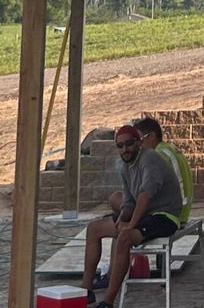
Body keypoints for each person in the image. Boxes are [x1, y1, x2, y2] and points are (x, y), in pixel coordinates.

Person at [81, 123, 186, 306]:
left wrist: (130, 225)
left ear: (139, 143)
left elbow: (145, 195)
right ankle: (86, 290)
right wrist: (122, 216)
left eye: (129, 144)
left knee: (124, 237)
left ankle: (108, 301)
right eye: (120, 146)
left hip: (164, 215)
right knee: (94, 229)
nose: (125, 149)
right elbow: (129, 201)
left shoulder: (150, 159)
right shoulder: (125, 167)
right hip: (145, 214)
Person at [132, 115, 194, 226]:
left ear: (151, 136)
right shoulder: (168, 149)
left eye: (139, 141)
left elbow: (147, 190)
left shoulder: (157, 155)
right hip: (182, 210)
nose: (138, 146)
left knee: (119, 204)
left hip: (172, 213)